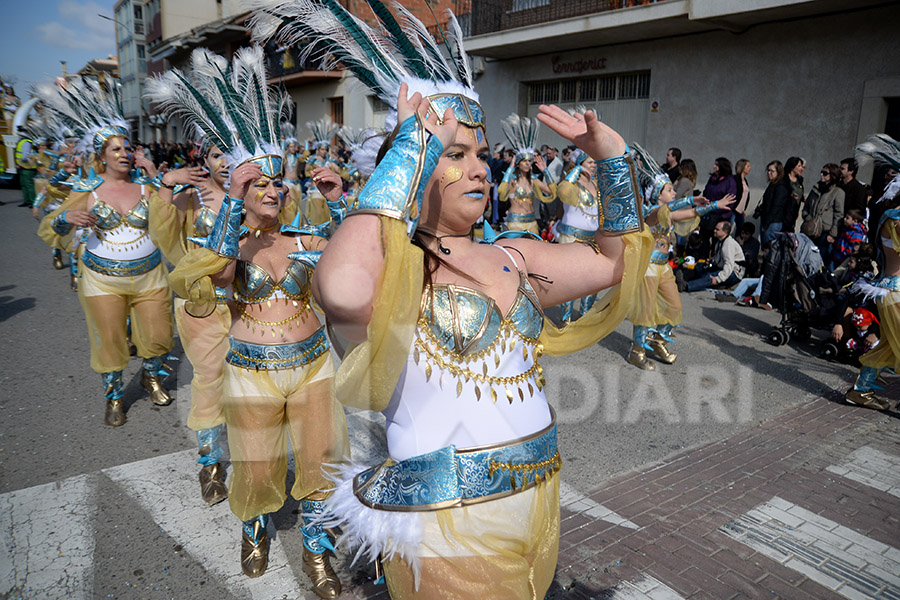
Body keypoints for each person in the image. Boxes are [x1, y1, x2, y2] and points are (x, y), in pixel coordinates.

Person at [249, 2, 652, 597]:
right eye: (454, 155)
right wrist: (413, 144)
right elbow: (340, 288)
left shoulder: (517, 254)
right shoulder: (393, 272)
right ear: (413, 166)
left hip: (539, 496)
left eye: (480, 155)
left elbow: (613, 262)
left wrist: (613, 158)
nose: (478, 170)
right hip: (447, 521)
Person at [161, 46, 350, 594]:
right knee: (259, 463)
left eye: (277, 182)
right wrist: (230, 200)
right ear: (242, 190)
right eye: (258, 183)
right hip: (250, 369)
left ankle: (317, 553)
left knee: (318, 461)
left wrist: (338, 204)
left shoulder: (305, 238)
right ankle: (255, 528)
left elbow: (357, 259)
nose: (272, 190)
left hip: (313, 364)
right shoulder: (227, 246)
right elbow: (211, 277)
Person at [37, 78, 175, 426]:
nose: (124, 154)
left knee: (159, 336)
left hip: (150, 275)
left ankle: (150, 376)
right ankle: (114, 397)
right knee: (110, 341)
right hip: (102, 280)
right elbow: (53, 226)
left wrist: (164, 180)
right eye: (116, 150)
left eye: (127, 148)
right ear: (101, 156)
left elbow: (172, 220)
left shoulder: (146, 187)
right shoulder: (88, 189)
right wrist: (68, 216)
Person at [627, 145, 731, 370]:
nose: (674, 192)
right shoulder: (651, 213)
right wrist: (691, 200)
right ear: (657, 194)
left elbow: (690, 214)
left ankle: (657, 339)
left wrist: (714, 205)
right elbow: (670, 210)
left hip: (664, 267)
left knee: (674, 306)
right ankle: (637, 351)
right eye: (669, 190)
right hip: (648, 267)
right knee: (645, 311)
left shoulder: (669, 212)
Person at [845, 134, 900, 410]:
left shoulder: (891, 216)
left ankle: (861, 391)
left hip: (889, 290)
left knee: (888, 347)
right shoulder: (899, 220)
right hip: (895, 294)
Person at [498, 128, 555, 234]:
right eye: (524, 161)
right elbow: (501, 192)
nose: (527, 164)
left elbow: (551, 191)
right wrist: (510, 167)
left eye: (529, 161)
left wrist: (545, 171)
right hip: (515, 223)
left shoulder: (533, 180)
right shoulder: (513, 180)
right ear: (518, 163)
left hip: (532, 223)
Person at [801, 162, 845, 268]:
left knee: (820, 259)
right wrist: (808, 218)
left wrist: (833, 234)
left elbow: (839, 215)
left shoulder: (838, 192)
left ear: (833, 176)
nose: (822, 175)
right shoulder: (816, 188)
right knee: (805, 256)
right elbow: (806, 206)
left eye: (825, 173)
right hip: (810, 229)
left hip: (825, 232)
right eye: (821, 172)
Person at [683, 220, 745, 292]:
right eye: (715, 228)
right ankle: (685, 278)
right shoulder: (720, 242)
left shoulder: (728, 245)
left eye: (717, 229)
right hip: (721, 267)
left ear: (725, 232)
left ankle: (687, 286)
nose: (714, 231)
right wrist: (711, 261)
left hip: (734, 273)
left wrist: (718, 279)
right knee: (700, 267)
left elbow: (729, 265)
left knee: (710, 276)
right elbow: (718, 259)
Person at [699, 158, 737, 256]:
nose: (714, 166)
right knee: (703, 239)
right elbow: (706, 192)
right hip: (708, 214)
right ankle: (703, 260)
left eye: (717, 165)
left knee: (718, 242)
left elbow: (730, 200)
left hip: (721, 216)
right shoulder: (712, 179)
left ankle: (716, 261)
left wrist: (717, 207)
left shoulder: (730, 181)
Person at [755, 160, 790, 247]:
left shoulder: (781, 187)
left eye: (772, 171)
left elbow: (776, 206)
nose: (769, 173)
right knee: (765, 248)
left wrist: (766, 224)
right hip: (767, 221)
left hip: (773, 222)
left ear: (778, 172)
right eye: (768, 170)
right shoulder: (773, 185)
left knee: (769, 249)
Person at [783, 156, 806, 232]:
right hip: (785, 211)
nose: (801, 169)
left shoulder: (799, 180)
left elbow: (799, 192)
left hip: (794, 211)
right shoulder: (784, 179)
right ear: (792, 167)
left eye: (802, 167)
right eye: (799, 166)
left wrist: (802, 198)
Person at [732, 158, 751, 237]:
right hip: (733, 209)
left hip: (740, 211)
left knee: (740, 231)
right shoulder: (735, 179)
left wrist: (743, 208)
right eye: (748, 166)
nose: (750, 168)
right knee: (727, 227)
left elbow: (745, 196)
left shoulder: (745, 180)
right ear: (742, 167)